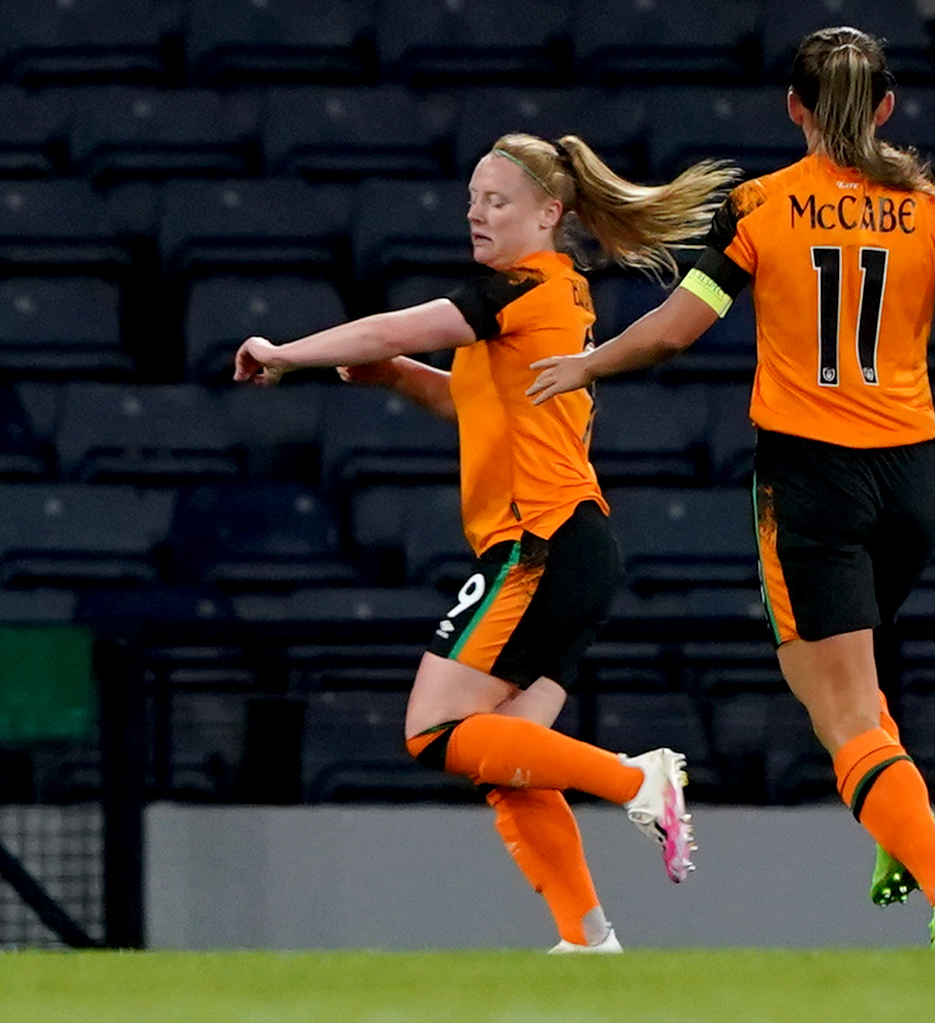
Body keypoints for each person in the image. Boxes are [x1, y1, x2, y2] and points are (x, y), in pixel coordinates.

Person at [528, 27, 935, 950]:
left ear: (792, 108)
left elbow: (679, 329)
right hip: (917, 478)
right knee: (857, 687)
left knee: (836, 710)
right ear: (885, 109)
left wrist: (586, 363)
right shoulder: (930, 207)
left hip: (813, 479)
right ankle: (896, 829)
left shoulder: (761, 207)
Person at [233, 132, 734, 953]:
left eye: (496, 200)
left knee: (432, 729)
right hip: (573, 544)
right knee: (507, 759)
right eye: (472, 198)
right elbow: (475, 404)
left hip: (538, 542)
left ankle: (638, 778)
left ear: (548, 213)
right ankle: (587, 940)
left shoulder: (519, 289)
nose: (477, 212)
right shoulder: (560, 295)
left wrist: (288, 353)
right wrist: (399, 376)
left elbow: (401, 323)